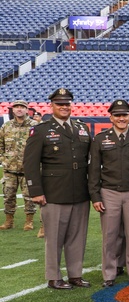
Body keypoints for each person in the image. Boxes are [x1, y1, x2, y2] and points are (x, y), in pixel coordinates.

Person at [23, 88, 93, 290]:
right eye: (60, 104)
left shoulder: (81, 128)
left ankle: (75, 275)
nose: (64, 107)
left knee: (77, 237)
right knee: (54, 238)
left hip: (80, 190)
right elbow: (30, 163)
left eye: (67, 103)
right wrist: (35, 191)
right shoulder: (41, 129)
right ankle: (54, 277)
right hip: (53, 192)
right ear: (51, 106)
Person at [89, 99, 129, 287]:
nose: (121, 118)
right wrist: (95, 196)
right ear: (111, 117)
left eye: (124, 115)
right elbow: (93, 170)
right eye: (117, 115)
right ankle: (109, 274)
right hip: (109, 192)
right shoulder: (101, 139)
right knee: (110, 235)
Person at [0, 99, 38, 231]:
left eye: (22, 107)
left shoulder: (35, 126)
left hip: (28, 170)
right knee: (8, 196)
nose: (19, 109)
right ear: (13, 110)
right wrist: (3, 159)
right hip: (9, 169)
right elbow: (1, 145)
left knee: (29, 197)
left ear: (27, 110)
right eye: (16, 107)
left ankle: (29, 221)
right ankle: (9, 221)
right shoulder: (6, 126)